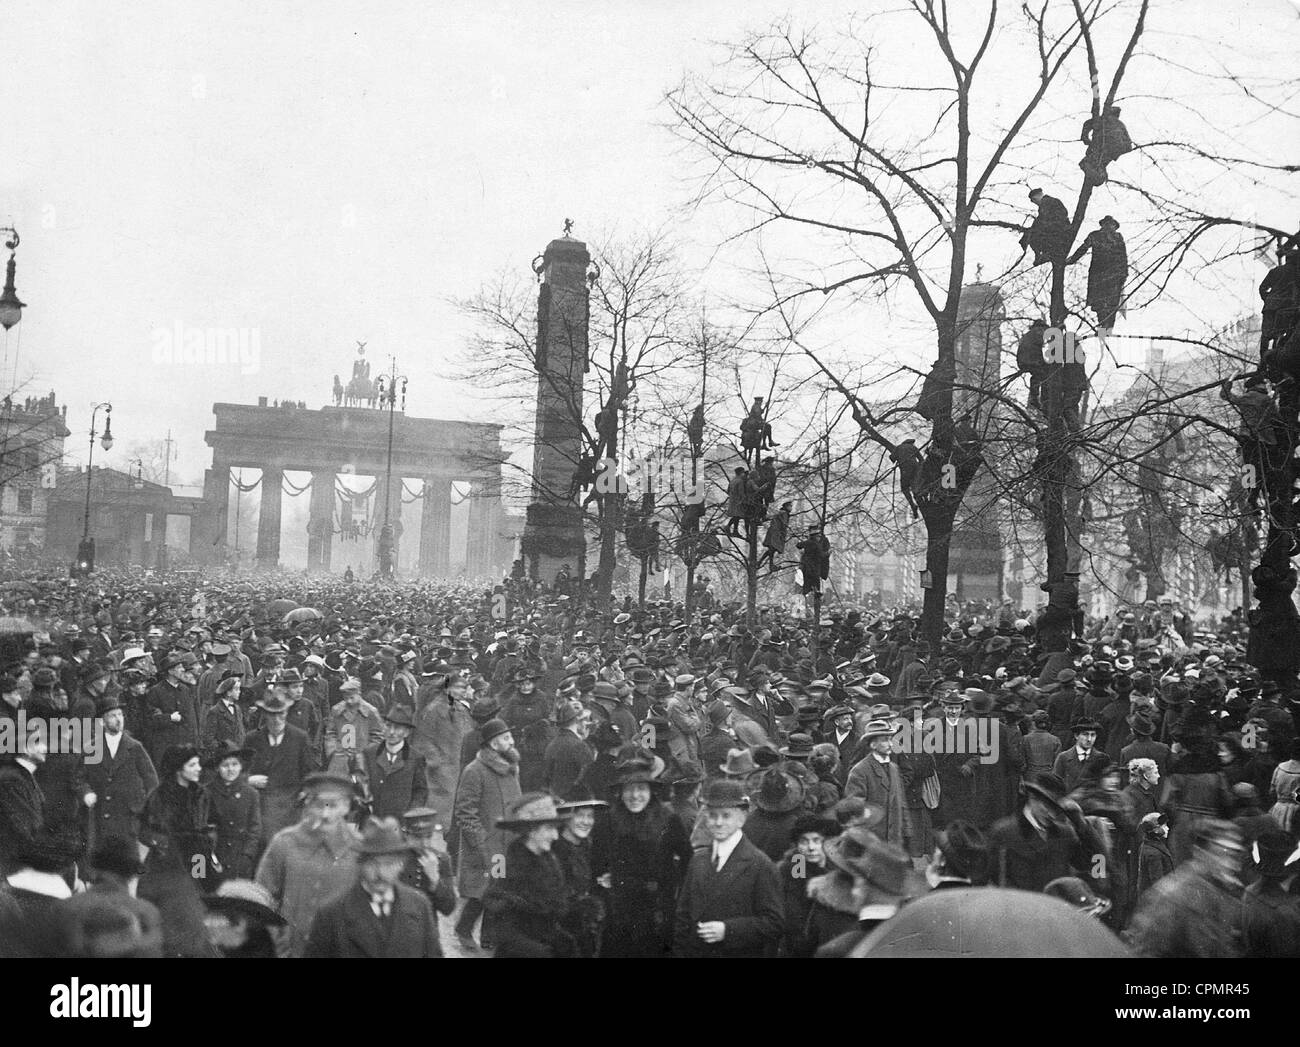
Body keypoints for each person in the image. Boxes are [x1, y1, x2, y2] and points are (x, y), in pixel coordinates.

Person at [592, 751, 692, 957]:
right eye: (629, 789)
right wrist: (607, 881)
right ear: (620, 792)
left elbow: (687, 860)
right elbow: (597, 862)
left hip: (658, 910)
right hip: (620, 912)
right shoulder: (608, 821)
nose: (635, 796)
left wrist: (675, 894)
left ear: (651, 791)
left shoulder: (668, 819)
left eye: (640, 788)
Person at [672, 778, 784, 958]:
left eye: (725, 815)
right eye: (713, 815)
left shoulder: (761, 864)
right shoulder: (698, 860)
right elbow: (683, 916)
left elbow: (774, 923)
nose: (718, 822)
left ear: (741, 817)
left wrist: (728, 930)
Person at [255, 771, 362, 957]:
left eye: (333, 806)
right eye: (319, 806)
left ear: (346, 806)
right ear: (308, 806)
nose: (326, 814)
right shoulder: (285, 843)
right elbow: (262, 897)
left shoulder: (360, 849)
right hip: (292, 951)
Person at [304, 818, 442, 958]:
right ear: (361, 865)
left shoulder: (419, 906)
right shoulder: (332, 913)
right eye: (373, 864)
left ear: (401, 865)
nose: (380, 873)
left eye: (389, 864)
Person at [1127, 819, 1247, 958]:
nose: (1231, 865)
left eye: (1234, 856)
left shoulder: (1228, 893)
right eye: (1222, 854)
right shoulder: (1173, 897)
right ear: (1200, 853)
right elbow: (1145, 952)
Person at [451, 717, 522, 951]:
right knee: (483, 892)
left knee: (497, 889)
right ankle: (463, 928)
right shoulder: (475, 771)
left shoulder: (511, 766)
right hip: (486, 845)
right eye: (505, 738)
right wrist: (480, 841)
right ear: (493, 744)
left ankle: (488, 938)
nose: (511, 741)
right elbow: (464, 811)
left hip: (506, 842)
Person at [482, 793, 577, 957]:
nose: (555, 836)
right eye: (549, 828)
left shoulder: (550, 861)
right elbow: (498, 922)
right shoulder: (505, 863)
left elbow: (556, 911)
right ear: (531, 831)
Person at [85, 694, 158, 850]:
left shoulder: (135, 747)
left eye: (120, 714)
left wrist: (146, 808)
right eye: (112, 716)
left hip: (129, 814)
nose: (119, 719)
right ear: (101, 722)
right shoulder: (92, 748)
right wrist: (86, 793)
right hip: (102, 814)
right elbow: (79, 778)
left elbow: (151, 779)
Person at [245, 692, 317, 847]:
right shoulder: (253, 739)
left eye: (281, 714)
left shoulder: (300, 738)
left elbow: (310, 772)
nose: (277, 720)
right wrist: (249, 780)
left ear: (286, 713)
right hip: (261, 803)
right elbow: (240, 770)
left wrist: (306, 792)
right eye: (272, 715)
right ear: (265, 714)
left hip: (291, 804)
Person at [553, 791, 607, 958]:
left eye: (590, 816)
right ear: (567, 817)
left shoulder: (588, 846)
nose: (586, 822)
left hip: (584, 930)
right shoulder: (555, 850)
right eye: (580, 815)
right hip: (560, 932)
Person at [778, 813, 840, 957]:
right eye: (804, 842)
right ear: (797, 844)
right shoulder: (796, 869)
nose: (811, 848)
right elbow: (795, 920)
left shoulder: (836, 867)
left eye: (816, 840)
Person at [204, 740, 262, 882]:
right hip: (212, 858)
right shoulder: (205, 793)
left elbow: (255, 829)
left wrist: (247, 856)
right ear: (217, 768)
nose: (230, 769)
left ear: (241, 766)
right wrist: (200, 869)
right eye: (225, 765)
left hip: (240, 859)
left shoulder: (250, 794)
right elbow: (197, 831)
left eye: (234, 764)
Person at [363, 706, 428, 821]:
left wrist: (411, 815)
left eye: (397, 728)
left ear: (406, 732)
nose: (391, 732)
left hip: (400, 824)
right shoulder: (370, 753)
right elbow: (362, 785)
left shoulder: (415, 758)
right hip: (373, 822)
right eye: (388, 726)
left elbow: (420, 791)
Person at [1067, 216, 1127, 329]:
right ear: (1103, 225)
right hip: (1099, 274)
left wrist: (1123, 274)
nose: (1109, 226)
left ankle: (1108, 328)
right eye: (1107, 224)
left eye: (1112, 224)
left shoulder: (1118, 237)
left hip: (1113, 275)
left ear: (1115, 226)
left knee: (1111, 303)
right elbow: (1083, 248)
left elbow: (1123, 256)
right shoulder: (1095, 235)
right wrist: (1072, 259)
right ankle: (1103, 327)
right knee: (1101, 303)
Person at [1020, 187, 1071, 266]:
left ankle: (1042, 255)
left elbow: (1042, 220)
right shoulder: (1052, 201)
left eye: (1034, 201)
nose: (1036, 203)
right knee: (1032, 234)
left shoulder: (1046, 202)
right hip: (1062, 231)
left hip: (1058, 231)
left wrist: (1031, 231)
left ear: (1036, 197)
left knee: (1033, 237)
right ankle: (1044, 254)